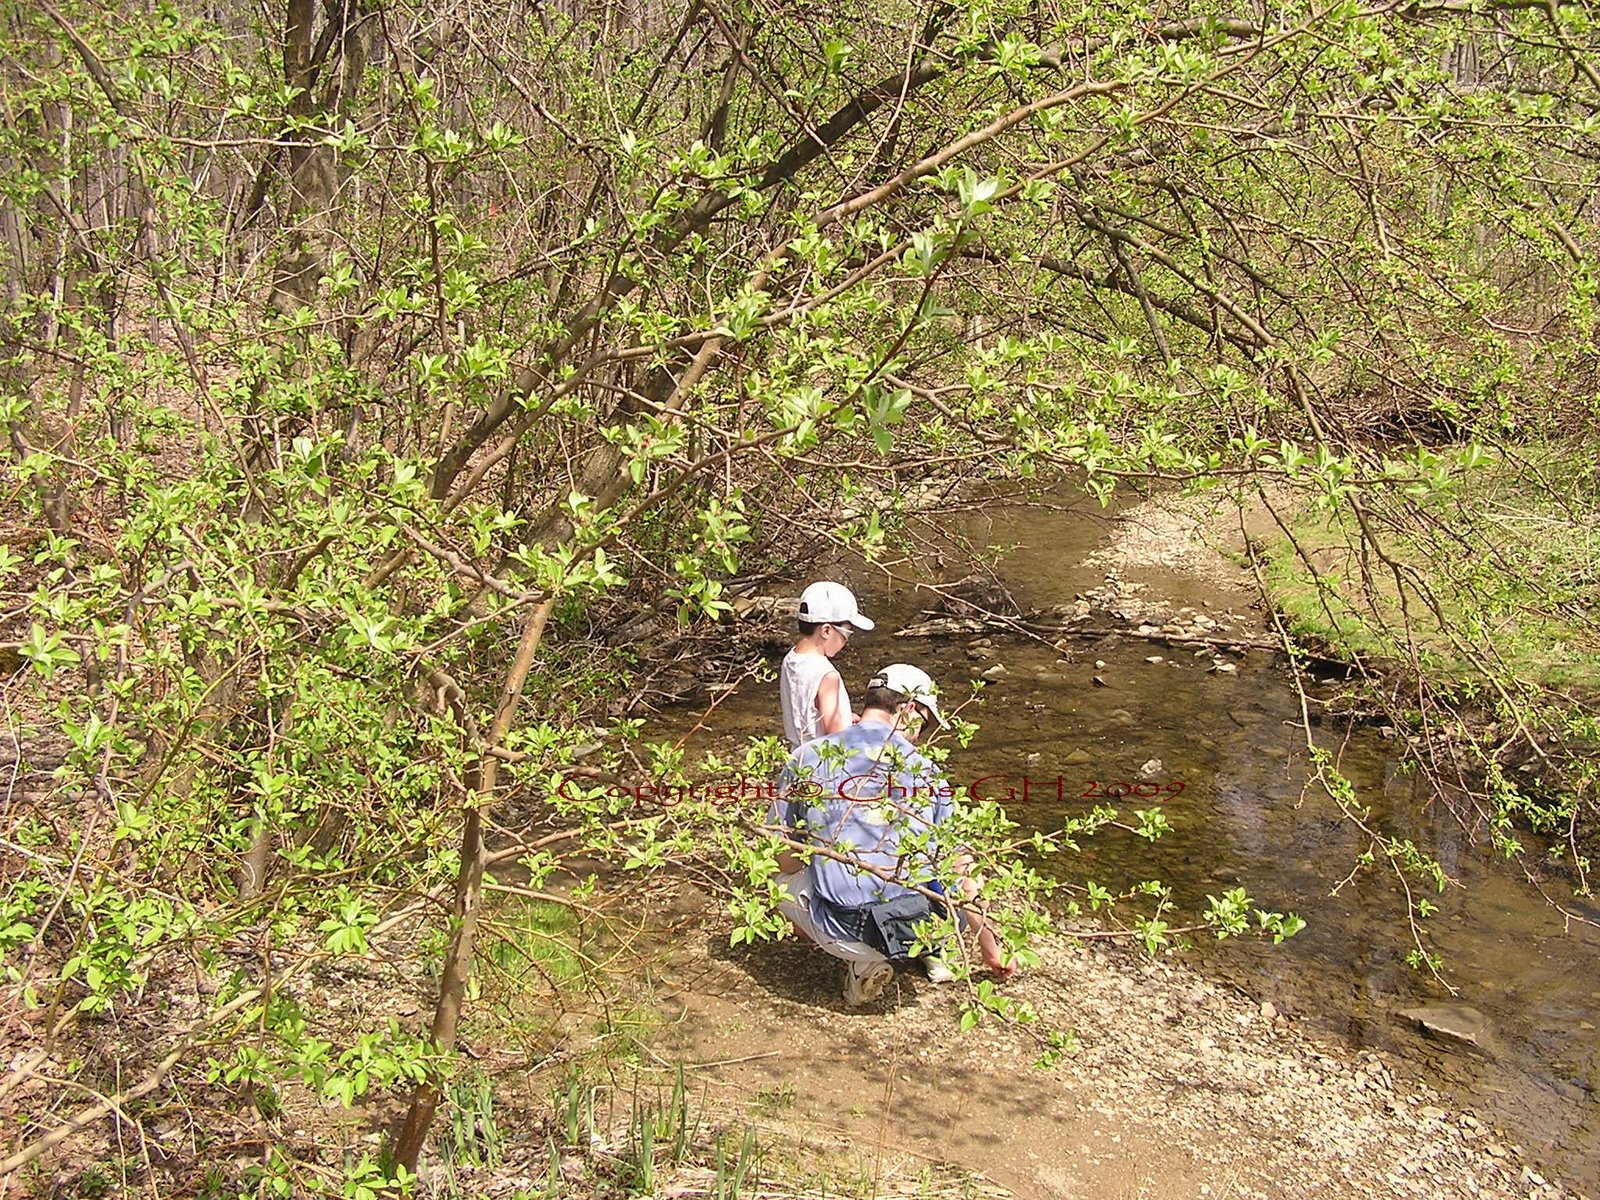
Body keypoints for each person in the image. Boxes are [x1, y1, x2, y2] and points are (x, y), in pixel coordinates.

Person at [768, 663, 1013, 1005]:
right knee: (939, 863)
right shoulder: (927, 771)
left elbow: (784, 853)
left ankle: (860, 957)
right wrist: (990, 945)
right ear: (908, 708)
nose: (921, 736)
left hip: (842, 931)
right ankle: (918, 949)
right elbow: (960, 866)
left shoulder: (807, 757)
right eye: (924, 725)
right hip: (914, 925)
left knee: (779, 878)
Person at [778, 581, 874, 750]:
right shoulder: (827, 675)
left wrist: (845, 717)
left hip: (797, 755)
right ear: (826, 631)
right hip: (823, 762)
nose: (847, 640)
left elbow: (807, 712)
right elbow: (837, 734)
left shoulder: (791, 659)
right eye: (847, 633)